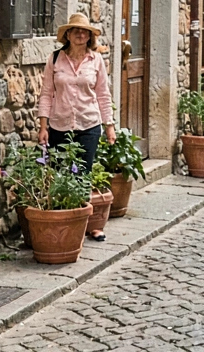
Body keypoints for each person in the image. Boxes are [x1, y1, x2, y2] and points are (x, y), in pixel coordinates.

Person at [38, 12, 116, 241]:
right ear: (68, 35)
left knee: (83, 174)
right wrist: (43, 126)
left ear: (89, 37)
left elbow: (103, 94)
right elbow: (46, 94)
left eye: (85, 31)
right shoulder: (54, 59)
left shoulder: (96, 61)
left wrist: (109, 125)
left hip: (88, 124)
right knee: (61, 174)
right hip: (60, 125)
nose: (80, 34)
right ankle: (66, 226)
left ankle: (89, 225)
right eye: (75, 30)